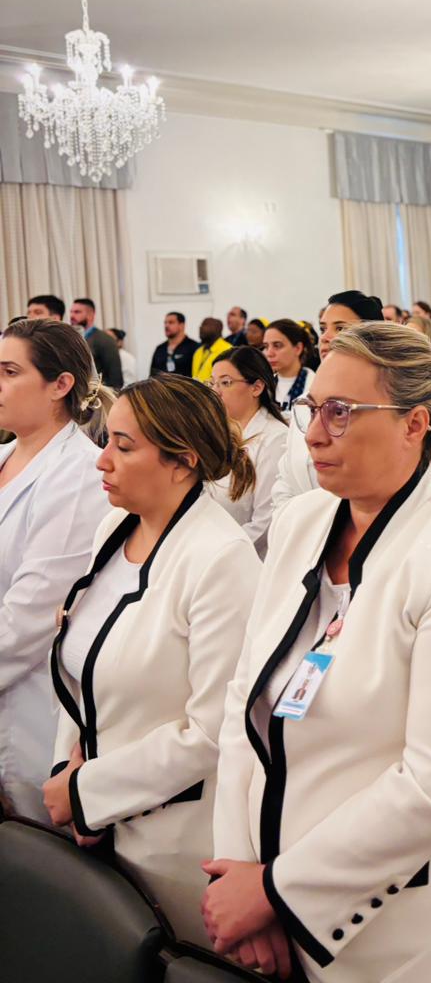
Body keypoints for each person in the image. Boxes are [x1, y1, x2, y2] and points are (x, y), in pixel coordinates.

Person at [205, 324, 431, 983]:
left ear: (414, 424)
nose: (313, 435)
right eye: (312, 409)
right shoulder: (304, 523)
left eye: (340, 412)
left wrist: (277, 892)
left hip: (419, 935)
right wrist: (240, 868)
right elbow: (241, 700)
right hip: (281, 886)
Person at [43, 375, 261, 945]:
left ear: (182, 462)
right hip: (94, 826)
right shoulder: (115, 528)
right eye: (106, 441)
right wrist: (67, 771)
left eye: (124, 446)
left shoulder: (222, 560)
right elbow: (81, 668)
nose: (102, 460)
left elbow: (212, 732)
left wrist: (88, 793)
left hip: (171, 847)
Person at [0, 320, 112, 818]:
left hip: (29, 716)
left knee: (31, 850)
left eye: (9, 372)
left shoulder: (80, 474)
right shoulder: (4, 456)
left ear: (60, 385)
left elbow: (29, 619)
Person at [271, 292, 384, 518]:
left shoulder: (380, 403)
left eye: (340, 328)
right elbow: (285, 479)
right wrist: (293, 525)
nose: (325, 337)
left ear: (370, 335)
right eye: (323, 329)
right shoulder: (304, 402)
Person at [207, 347, 288, 557]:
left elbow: (266, 522)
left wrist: (217, 553)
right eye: (212, 383)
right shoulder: (219, 433)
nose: (216, 391)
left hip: (245, 557)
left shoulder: (275, 438)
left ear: (256, 387)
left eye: (225, 383)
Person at [263, 319, 316, 414]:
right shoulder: (265, 385)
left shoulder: (314, 385)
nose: (269, 353)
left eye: (277, 345)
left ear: (298, 348)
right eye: (266, 346)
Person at [70, 298, 123, 389]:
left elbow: (115, 380)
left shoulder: (105, 340)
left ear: (91, 315)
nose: (72, 316)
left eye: (77, 312)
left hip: (97, 394)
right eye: (71, 312)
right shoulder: (71, 338)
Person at [150, 311, 200, 376]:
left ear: (181, 325)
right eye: (165, 323)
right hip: (160, 383)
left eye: (171, 322)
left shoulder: (194, 347)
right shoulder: (160, 348)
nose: (166, 326)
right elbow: (152, 374)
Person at [192, 318, 232, 384]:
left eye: (205, 324)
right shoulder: (198, 352)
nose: (201, 327)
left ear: (217, 329)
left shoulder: (228, 349)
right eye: (201, 325)